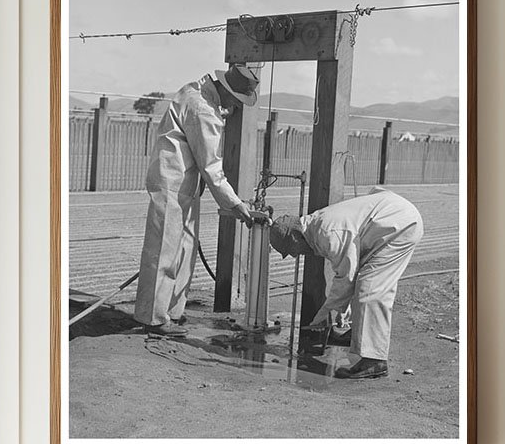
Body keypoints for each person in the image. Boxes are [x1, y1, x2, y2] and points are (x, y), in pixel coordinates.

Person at [134, 64, 259, 335]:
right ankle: (153, 318)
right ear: (226, 92)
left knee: (185, 250)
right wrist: (236, 204)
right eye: (236, 102)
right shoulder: (204, 111)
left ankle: (173, 311)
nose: (235, 108)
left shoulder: (196, 91)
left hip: (186, 184)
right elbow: (211, 167)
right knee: (165, 249)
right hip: (173, 183)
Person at [269, 188, 424, 380]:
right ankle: (358, 335)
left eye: (291, 250)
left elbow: (346, 277)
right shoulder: (315, 228)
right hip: (389, 218)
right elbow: (348, 273)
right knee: (365, 283)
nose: (294, 255)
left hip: (399, 225)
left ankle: (374, 361)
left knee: (371, 289)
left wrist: (323, 315)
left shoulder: (328, 233)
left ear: (294, 237)